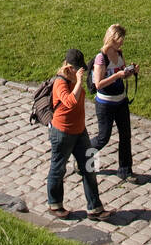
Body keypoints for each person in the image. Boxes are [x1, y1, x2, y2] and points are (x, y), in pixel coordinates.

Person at [46, 48, 110, 221]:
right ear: (68, 66)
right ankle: (54, 203)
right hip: (62, 133)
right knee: (58, 168)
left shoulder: (74, 78)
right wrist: (78, 81)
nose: (78, 71)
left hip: (80, 131)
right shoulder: (60, 82)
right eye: (76, 68)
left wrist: (81, 79)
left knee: (89, 167)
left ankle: (95, 208)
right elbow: (70, 102)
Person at [90, 24, 141, 184]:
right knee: (103, 137)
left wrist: (130, 72)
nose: (121, 44)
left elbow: (122, 75)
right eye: (119, 40)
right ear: (112, 39)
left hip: (121, 101)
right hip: (105, 103)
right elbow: (98, 84)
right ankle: (84, 155)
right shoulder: (101, 58)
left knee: (125, 135)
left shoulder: (119, 53)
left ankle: (125, 170)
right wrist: (116, 75)